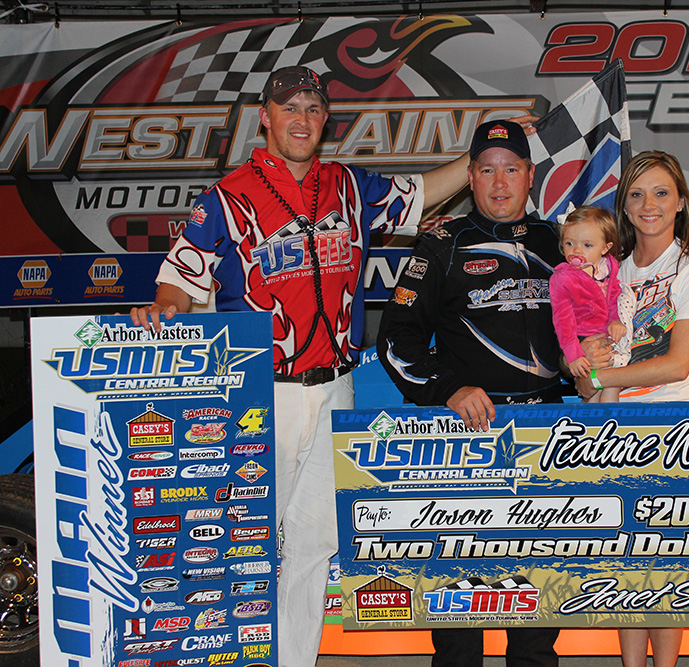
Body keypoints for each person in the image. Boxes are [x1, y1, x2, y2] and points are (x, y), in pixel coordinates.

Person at [130, 65, 477, 667]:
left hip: (336, 386)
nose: (302, 120)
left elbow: (422, 191)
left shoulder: (347, 185)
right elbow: (178, 279)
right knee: (248, 544)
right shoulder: (227, 196)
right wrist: (161, 308)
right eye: (289, 108)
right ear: (265, 116)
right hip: (266, 394)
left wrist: (483, 153)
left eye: (313, 110)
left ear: (324, 120)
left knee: (316, 543)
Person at [377, 119, 562, 667]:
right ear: (471, 178)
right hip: (468, 435)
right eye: (486, 170)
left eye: (511, 169)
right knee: (461, 597)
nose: (499, 183)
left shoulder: (562, 241)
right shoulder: (440, 243)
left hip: (549, 430)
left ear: (530, 176)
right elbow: (396, 339)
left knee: (536, 595)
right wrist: (450, 388)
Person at [576, 151, 689, 667]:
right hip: (610, 429)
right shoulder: (606, 271)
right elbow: (585, 373)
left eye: (662, 192)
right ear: (623, 205)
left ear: (682, 201)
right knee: (624, 570)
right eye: (636, 194)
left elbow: (677, 364)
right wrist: (581, 365)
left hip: (673, 430)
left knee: (667, 570)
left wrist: (599, 375)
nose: (649, 204)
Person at [549, 205, 630, 402]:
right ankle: (601, 426)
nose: (576, 251)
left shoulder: (609, 266)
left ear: (605, 247)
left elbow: (613, 297)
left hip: (606, 336)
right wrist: (573, 354)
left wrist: (615, 320)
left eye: (587, 245)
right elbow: (562, 320)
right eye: (569, 243)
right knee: (596, 390)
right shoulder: (563, 278)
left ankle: (606, 427)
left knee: (609, 385)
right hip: (582, 340)